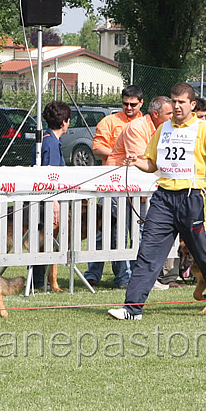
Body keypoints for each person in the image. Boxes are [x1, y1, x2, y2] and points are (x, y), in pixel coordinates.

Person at [108, 83, 206, 320]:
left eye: (181, 102)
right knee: (148, 252)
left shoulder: (203, 129)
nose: (176, 106)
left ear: (192, 105)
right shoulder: (163, 128)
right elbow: (151, 164)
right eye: (173, 101)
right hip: (163, 198)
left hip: (192, 198)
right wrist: (136, 161)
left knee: (204, 252)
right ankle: (132, 309)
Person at [107, 96, 176, 289]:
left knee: (146, 234)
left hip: (146, 191)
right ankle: (125, 279)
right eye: (168, 113)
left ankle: (143, 278)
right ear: (155, 114)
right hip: (123, 189)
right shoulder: (137, 128)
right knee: (122, 233)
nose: (173, 117)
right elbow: (144, 160)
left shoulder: (166, 129)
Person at [86, 85, 144, 288]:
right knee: (109, 232)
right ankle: (97, 273)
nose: (128, 107)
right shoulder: (109, 121)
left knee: (138, 234)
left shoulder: (147, 124)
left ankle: (135, 276)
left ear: (141, 103)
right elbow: (97, 147)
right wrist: (118, 154)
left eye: (133, 104)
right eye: (125, 104)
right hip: (113, 187)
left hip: (140, 189)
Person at [30, 101, 71, 291]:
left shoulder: (46, 138)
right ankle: (38, 281)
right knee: (44, 239)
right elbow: (50, 177)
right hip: (46, 201)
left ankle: (39, 281)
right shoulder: (51, 144)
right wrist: (54, 202)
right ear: (64, 122)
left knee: (43, 240)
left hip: (40, 200)